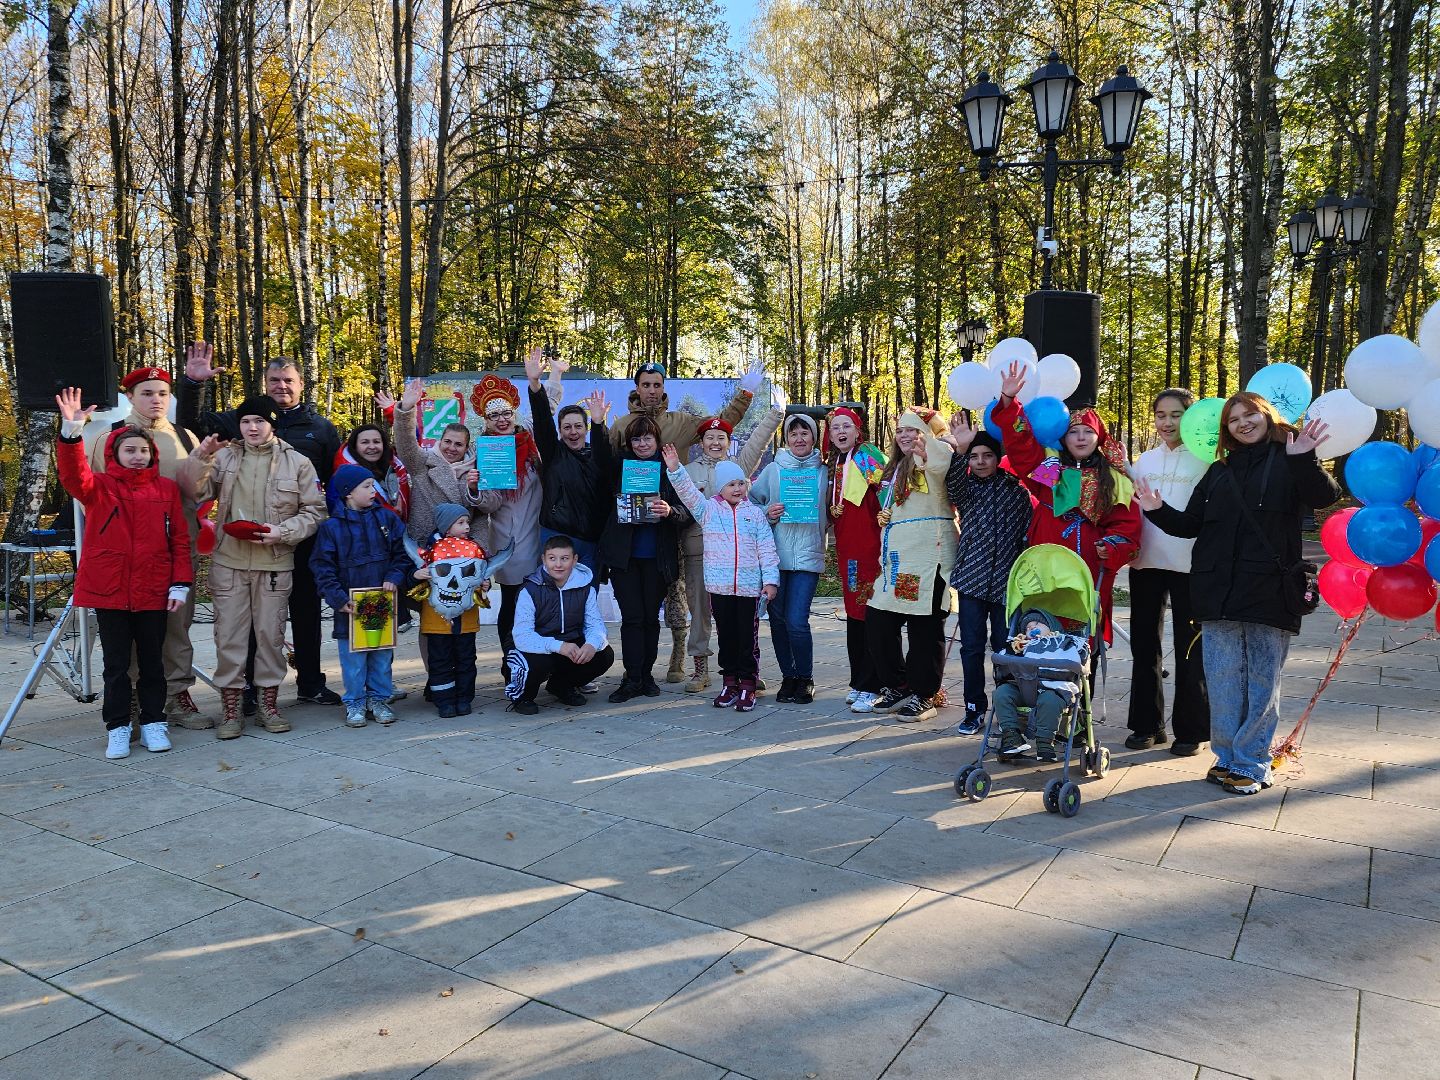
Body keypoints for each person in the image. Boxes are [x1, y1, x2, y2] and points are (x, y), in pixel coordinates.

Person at [1135, 392, 1338, 795]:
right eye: (1234, 419)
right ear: (1226, 429)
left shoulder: (1290, 458)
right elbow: (1191, 524)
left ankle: (1253, 762)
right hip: (1216, 591)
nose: (1243, 423)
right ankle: (1227, 757)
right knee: (1223, 678)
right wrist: (1157, 510)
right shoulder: (1219, 470)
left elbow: (1324, 497)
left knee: (1261, 681)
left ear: (1267, 416)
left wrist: (1305, 459)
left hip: (1268, 588)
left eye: (1250, 415)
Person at [179, 346, 343, 709]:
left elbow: (333, 486)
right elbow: (191, 427)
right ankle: (252, 689)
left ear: (301, 384)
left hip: (302, 540)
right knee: (254, 619)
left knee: (306, 613)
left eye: (288, 380)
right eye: (274, 380)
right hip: (247, 544)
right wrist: (192, 384)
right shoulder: (241, 419)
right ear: (265, 384)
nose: (281, 386)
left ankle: (311, 682)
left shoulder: (320, 429)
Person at [56, 388, 191, 759]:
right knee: (116, 666)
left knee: (152, 664)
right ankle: (118, 727)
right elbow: (72, 475)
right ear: (114, 454)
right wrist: (71, 431)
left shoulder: (166, 489)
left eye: (143, 450)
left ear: (152, 455)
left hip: (153, 589)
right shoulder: (99, 488)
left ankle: (154, 722)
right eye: (129, 450)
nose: (137, 456)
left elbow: (180, 540)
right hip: (110, 590)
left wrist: (180, 583)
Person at [608, 359, 760, 686]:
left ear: (664, 387)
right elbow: (606, 469)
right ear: (636, 388)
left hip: (675, 520)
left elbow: (721, 424)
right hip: (637, 528)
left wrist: (745, 393)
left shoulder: (680, 423)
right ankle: (677, 658)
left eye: (657, 385)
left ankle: (690, 657)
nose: (651, 391)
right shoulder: (621, 426)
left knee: (684, 596)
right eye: (645, 385)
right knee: (676, 598)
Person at [87, 362, 207, 729]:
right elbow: (92, 496)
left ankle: (177, 694)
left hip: (175, 552)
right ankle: (133, 699)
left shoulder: (186, 437)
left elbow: (201, 493)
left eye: (163, 394)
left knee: (176, 626)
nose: (156, 400)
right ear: (130, 397)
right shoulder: (108, 437)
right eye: (147, 393)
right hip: (127, 556)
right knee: (130, 633)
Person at [992, 363, 1142, 646]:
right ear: (1063, 436)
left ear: (1099, 437)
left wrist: (1110, 546)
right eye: (1074, 432)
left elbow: (1127, 526)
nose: (1081, 437)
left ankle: (1086, 672)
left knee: (1085, 635)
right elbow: (1022, 447)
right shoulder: (1049, 469)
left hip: (1090, 567)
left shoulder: (1114, 479)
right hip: (1045, 564)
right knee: (1039, 631)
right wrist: (1010, 402)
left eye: (1088, 431)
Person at [662, 443, 779, 712]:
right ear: (719, 488)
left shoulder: (755, 515)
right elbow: (688, 492)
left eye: (741, 483)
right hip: (720, 588)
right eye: (731, 484)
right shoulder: (708, 511)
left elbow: (767, 549)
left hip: (748, 589)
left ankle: (748, 684)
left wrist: (770, 581)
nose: (737, 489)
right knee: (726, 638)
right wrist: (675, 469)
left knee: (747, 640)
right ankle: (730, 684)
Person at [1125, 388, 1210, 754]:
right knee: (1144, 647)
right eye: (1161, 415)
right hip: (1146, 563)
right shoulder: (1144, 460)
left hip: (1192, 566)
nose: (1167, 422)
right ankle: (1147, 725)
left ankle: (1190, 730)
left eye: (1176, 415)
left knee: (1190, 648)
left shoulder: (1208, 459)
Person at [679, 402, 783, 692]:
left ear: (728, 442)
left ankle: (747, 671)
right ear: (701, 442)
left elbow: (758, 442)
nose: (715, 442)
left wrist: (775, 414)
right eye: (709, 437)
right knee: (701, 613)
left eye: (721, 437)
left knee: (743, 621)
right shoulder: (688, 471)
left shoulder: (738, 467)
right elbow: (682, 504)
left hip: (739, 561)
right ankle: (700, 669)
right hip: (699, 552)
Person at [864, 408, 959, 722]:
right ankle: (899, 685)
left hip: (928, 558)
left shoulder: (934, 454)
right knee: (878, 620)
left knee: (924, 627)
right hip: (897, 561)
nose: (905, 436)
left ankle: (924, 693)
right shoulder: (894, 468)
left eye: (913, 430)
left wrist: (933, 441)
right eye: (901, 431)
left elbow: (941, 461)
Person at [945, 418, 1033, 735]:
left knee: (1005, 648)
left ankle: (1008, 710)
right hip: (971, 580)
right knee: (971, 647)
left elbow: (1026, 535)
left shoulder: (1016, 492)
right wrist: (961, 449)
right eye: (975, 456)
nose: (980, 462)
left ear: (998, 458)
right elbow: (953, 483)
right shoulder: (966, 490)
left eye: (987, 455)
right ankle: (974, 708)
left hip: (1006, 584)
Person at [309, 465, 411, 729]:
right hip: (351, 607)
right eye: (366, 486)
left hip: (381, 602)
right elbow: (322, 567)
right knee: (353, 660)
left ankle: (379, 699)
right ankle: (354, 701)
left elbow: (403, 553)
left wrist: (394, 577)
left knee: (381, 656)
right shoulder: (331, 528)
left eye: (373, 485)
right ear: (348, 493)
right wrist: (337, 598)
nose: (373, 490)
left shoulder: (387, 520)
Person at [597, 415, 690, 702]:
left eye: (647, 438)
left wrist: (670, 511)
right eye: (636, 439)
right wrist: (598, 423)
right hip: (624, 558)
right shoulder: (620, 465)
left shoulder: (670, 468)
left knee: (650, 619)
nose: (641, 444)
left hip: (657, 559)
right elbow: (600, 459)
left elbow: (688, 510)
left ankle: (647, 676)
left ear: (657, 440)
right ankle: (632, 677)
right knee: (632, 619)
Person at [749, 412, 828, 704]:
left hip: (808, 556)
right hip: (776, 558)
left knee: (797, 620)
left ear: (814, 438)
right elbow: (750, 503)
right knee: (779, 621)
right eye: (793, 434)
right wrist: (766, 512)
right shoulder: (773, 470)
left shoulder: (825, 472)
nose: (799, 439)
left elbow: (835, 507)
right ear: (786, 439)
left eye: (804, 433)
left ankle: (805, 678)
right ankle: (788, 677)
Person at [470, 372, 544, 680]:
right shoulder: (486, 453)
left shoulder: (532, 442)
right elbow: (488, 505)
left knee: (541, 604)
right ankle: (511, 665)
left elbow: (547, 407)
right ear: (486, 421)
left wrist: (552, 375)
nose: (502, 420)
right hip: (508, 540)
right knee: (514, 603)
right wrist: (477, 489)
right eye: (494, 415)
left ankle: (540, 664)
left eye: (506, 413)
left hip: (541, 535)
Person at [504, 535, 616, 715]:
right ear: (543, 559)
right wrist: (558, 646)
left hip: (568, 643)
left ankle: (561, 686)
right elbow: (522, 636)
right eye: (552, 558)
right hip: (533, 646)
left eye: (564, 558)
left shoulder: (586, 588)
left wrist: (591, 644)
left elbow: (595, 625)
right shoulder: (529, 590)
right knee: (536, 663)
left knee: (604, 655)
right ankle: (522, 696)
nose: (558, 565)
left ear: (574, 560)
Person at [524, 350, 613, 573]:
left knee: (587, 591)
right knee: (553, 591)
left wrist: (599, 423)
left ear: (586, 429)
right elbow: (542, 421)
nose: (573, 432)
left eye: (578, 426)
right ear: (560, 431)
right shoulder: (553, 453)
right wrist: (535, 385)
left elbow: (604, 452)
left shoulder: (597, 456)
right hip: (556, 535)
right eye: (567, 427)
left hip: (590, 540)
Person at [826, 406, 887, 712]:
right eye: (835, 427)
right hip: (847, 548)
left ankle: (873, 684)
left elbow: (887, 492)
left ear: (857, 430)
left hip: (870, 546)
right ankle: (858, 681)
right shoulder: (832, 462)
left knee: (870, 614)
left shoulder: (866, 456)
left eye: (846, 426)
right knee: (854, 612)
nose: (841, 431)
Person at [413, 504, 489, 717]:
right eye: (461, 523)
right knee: (440, 660)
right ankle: (444, 701)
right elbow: (414, 574)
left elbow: (481, 574)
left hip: (467, 620)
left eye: (467, 522)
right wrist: (415, 574)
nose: (467, 527)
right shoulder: (428, 552)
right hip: (437, 621)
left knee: (466, 659)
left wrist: (485, 584)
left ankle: (464, 698)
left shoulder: (474, 549)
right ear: (446, 527)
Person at [993, 609, 1092, 763]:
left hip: (1053, 689)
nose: (1031, 627)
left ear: (1052, 627)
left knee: (1049, 701)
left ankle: (1045, 742)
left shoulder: (1065, 643)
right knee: (1002, 693)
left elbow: (1078, 662)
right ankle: (1011, 736)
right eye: (1027, 627)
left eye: (1037, 623)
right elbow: (1003, 659)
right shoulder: (1021, 645)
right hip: (1024, 688)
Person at [335, 421, 410, 522]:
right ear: (354, 446)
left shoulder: (395, 467)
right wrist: (392, 514)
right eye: (365, 442)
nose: (372, 446)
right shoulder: (343, 475)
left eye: (376, 441)